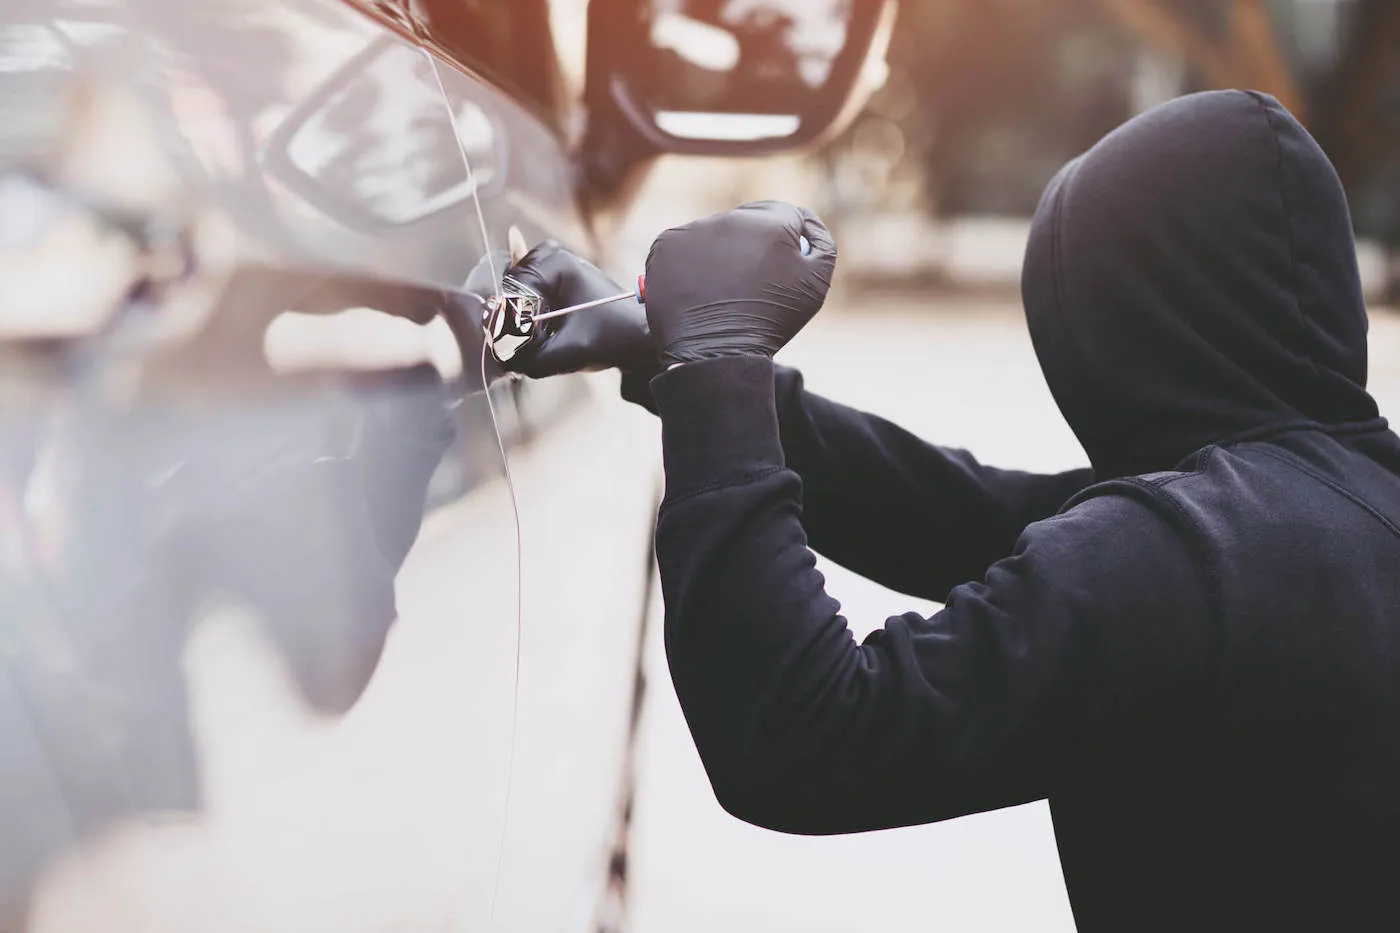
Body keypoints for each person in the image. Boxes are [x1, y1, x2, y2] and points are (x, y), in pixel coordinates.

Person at [504, 90, 1400, 930]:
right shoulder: (1334, 508)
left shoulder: (1191, 553)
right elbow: (962, 515)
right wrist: (672, 360)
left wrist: (718, 369)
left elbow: (802, 732)